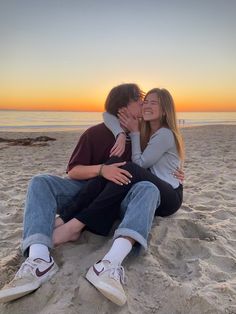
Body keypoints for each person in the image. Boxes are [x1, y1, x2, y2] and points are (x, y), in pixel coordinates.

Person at [0, 83, 183, 306]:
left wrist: (176, 174)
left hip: (123, 198)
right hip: (86, 190)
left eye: (149, 102)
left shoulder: (143, 135)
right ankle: (39, 257)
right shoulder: (96, 133)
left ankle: (108, 260)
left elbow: (157, 161)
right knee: (40, 182)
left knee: (148, 187)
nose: (144, 105)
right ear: (124, 108)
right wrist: (102, 169)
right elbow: (74, 171)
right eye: (140, 101)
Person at [52, 87, 184, 305]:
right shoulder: (146, 129)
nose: (147, 105)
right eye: (145, 101)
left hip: (170, 197)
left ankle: (72, 222)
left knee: (124, 168)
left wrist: (131, 133)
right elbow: (107, 115)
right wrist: (121, 133)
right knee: (112, 167)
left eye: (154, 103)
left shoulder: (164, 134)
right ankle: (68, 220)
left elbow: (139, 165)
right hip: (155, 190)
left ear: (164, 111)